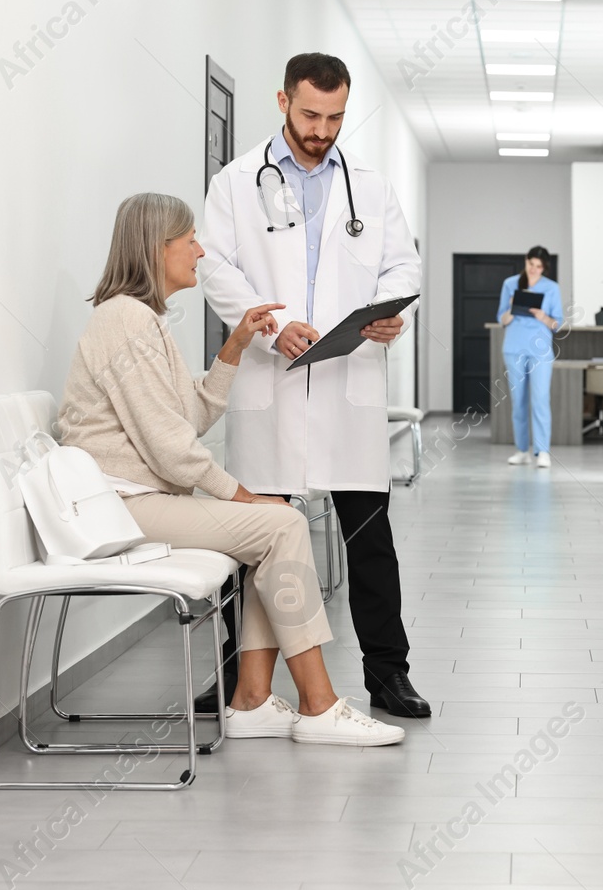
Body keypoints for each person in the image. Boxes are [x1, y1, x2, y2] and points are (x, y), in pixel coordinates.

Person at [59, 192, 403, 746]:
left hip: (138, 500)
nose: (200, 250)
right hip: (119, 507)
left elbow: (189, 417)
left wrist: (238, 343)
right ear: (157, 247)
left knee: (276, 530)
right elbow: (173, 451)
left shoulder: (144, 319)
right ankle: (317, 706)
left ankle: (253, 699)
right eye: (189, 239)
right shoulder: (125, 320)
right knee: (280, 524)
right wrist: (241, 495)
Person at [197, 53, 430, 718]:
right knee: (254, 540)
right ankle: (234, 679)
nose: (322, 130)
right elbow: (217, 270)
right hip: (271, 378)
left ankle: (389, 674)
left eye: (334, 118)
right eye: (309, 115)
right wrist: (268, 325)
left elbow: (399, 268)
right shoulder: (237, 183)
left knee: (370, 542)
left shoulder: (371, 186)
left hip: (347, 379)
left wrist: (390, 315)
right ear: (282, 101)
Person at [497, 246, 562, 468]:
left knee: (541, 400)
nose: (533, 270)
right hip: (514, 348)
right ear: (525, 262)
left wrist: (543, 315)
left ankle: (542, 451)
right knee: (518, 402)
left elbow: (557, 325)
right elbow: (502, 319)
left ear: (544, 268)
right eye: (530, 264)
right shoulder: (510, 284)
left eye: (538, 267)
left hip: (541, 352)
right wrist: (513, 307)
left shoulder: (552, 288)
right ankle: (522, 450)